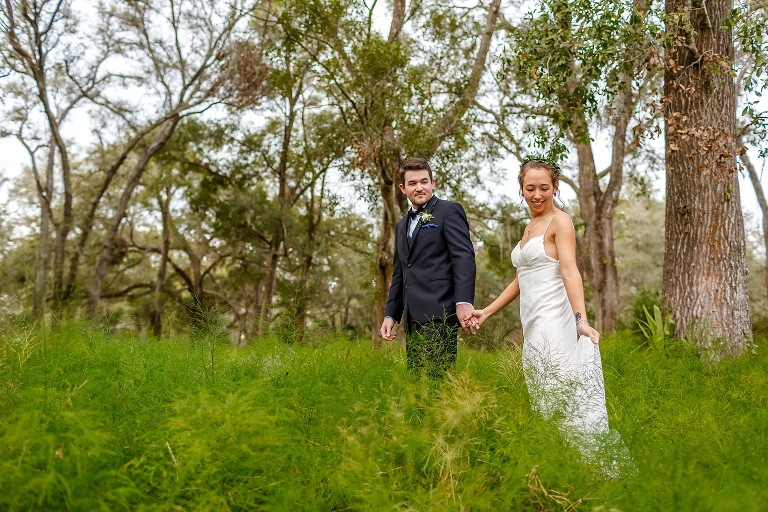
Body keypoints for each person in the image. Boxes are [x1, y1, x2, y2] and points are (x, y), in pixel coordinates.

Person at [471, 157, 629, 473]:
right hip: (531, 324)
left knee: (559, 394)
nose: (538, 195)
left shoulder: (561, 221)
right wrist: (486, 311)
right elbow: (521, 279)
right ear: (522, 189)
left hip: (553, 322)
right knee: (543, 395)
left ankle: (590, 467)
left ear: (555, 187)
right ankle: (563, 466)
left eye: (545, 188)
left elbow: (570, 270)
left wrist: (580, 319)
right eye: (530, 188)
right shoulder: (529, 227)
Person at [380, 157, 476, 376]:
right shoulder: (401, 224)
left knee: (438, 380)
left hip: (440, 312)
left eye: (424, 181)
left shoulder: (449, 211)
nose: (419, 187)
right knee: (416, 382)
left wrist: (463, 301)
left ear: (433, 182)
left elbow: (463, 257)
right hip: (412, 318)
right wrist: (391, 315)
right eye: (413, 183)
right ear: (403, 188)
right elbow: (401, 272)